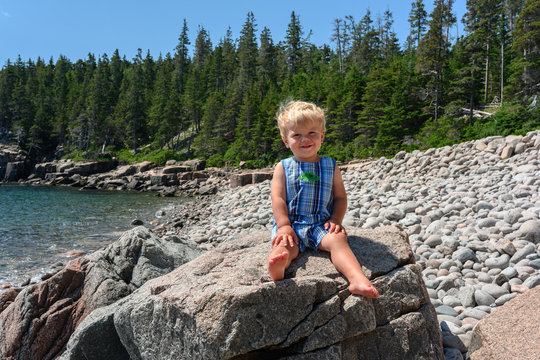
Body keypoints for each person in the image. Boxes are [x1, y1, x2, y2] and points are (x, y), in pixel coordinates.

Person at [267, 100, 379, 298]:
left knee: (338, 241)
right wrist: (283, 225)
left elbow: (340, 197)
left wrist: (336, 220)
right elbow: (278, 198)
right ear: (286, 140)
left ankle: (357, 279)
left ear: (322, 135)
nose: (305, 139)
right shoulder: (282, 167)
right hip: (292, 224)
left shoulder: (330, 166)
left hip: (320, 224)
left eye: (311, 133)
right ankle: (278, 265)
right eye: (297, 135)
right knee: (286, 247)